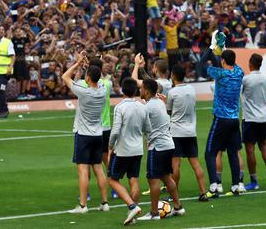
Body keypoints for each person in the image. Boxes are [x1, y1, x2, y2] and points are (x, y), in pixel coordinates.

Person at [63, 51, 110, 214]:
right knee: (98, 169)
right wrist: (89, 66)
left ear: (88, 77)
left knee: (83, 169)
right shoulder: (103, 89)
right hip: (98, 135)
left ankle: (83, 205)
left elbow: (65, 77)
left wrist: (77, 63)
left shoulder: (84, 92)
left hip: (83, 135)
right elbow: (99, 76)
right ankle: (105, 202)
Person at [137, 79, 185, 221]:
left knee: (153, 179)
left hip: (157, 147)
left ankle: (154, 213)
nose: (140, 90)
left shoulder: (148, 107)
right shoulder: (158, 102)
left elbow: (140, 126)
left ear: (146, 90)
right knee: (166, 177)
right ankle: (178, 207)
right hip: (168, 145)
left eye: (141, 88)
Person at [203, 44, 245, 199]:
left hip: (221, 119)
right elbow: (230, 62)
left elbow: (202, 63)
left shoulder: (220, 74)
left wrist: (213, 47)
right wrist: (223, 49)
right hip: (234, 119)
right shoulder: (240, 72)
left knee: (209, 153)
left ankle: (214, 186)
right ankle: (235, 186)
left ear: (223, 61)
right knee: (233, 153)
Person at [108, 77, 149, 226]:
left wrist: (110, 146)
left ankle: (132, 206)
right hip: (137, 149)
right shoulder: (142, 106)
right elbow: (148, 129)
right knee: (134, 180)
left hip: (123, 150)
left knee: (112, 179)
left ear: (121, 90)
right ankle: (132, 216)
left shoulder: (120, 107)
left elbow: (115, 130)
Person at [166, 65, 208, 201]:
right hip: (190, 131)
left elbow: (169, 111)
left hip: (176, 132)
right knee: (195, 163)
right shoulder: (191, 89)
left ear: (173, 76)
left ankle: (174, 194)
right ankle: (203, 192)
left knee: (175, 164)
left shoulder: (172, 92)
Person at [240, 53, 266, 191]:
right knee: (263, 146)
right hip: (263, 117)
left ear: (250, 64)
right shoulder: (265, 79)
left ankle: (254, 180)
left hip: (249, 117)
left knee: (250, 150)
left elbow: (240, 91)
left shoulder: (246, 80)